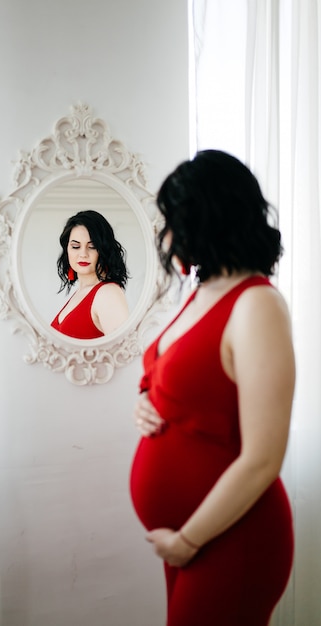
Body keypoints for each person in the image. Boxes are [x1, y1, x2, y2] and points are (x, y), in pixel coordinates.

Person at [129, 150, 295, 625]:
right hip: (191, 536)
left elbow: (263, 457)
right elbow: (171, 378)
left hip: (231, 537)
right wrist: (145, 401)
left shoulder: (257, 305)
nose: (166, 235)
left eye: (173, 221)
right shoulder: (203, 291)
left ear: (208, 218)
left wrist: (188, 540)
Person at [51, 210, 130, 339]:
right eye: (75, 246)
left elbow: (124, 354)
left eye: (92, 246)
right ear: (67, 250)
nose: (83, 254)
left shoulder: (108, 294)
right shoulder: (80, 293)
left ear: (104, 250)